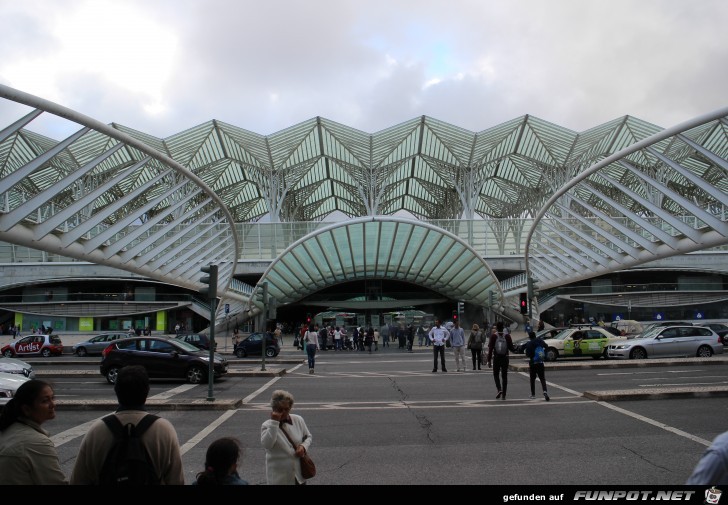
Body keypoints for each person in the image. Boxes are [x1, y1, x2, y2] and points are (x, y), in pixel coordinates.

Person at [70, 365, 184, 485]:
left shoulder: (96, 431)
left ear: (116, 390)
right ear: (147, 391)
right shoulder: (164, 430)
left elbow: (78, 480)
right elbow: (176, 480)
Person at [0, 379, 68, 484]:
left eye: (52, 398)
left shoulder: (9, 429)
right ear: (27, 409)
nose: (52, 404)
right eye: (45, 401)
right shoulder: (36, 443)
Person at [261, 389, 313, 485]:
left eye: (287, 409)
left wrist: (303, 447)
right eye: (280, 409)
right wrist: (274, 423)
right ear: (274, 408)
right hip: (279, 478)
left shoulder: (298, 419)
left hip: (298, 476)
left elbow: (308, 437)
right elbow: (267, 445)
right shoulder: (267, 425)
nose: (284, 412)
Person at [486, 321, 517, 400]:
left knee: (496, 374)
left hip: (496, 358)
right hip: (505, 358)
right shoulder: (507, 336)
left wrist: (489, 360)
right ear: (503, 328)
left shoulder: (494, 336)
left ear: (496, 327)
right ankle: (504, 395)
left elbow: (490, 349)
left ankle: (499, 389)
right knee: (504, 376)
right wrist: (516, 348)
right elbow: (511, 348)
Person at [524, 331, 550, 401]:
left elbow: (528, 354)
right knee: (542, 378)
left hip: (533, 363)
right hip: (540, 362)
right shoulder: (540, 341)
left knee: (532, 379)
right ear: (535, 335)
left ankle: (533, 394)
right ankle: (545, 391)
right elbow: (546, 346)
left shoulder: (529, 343)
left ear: (529, 336)